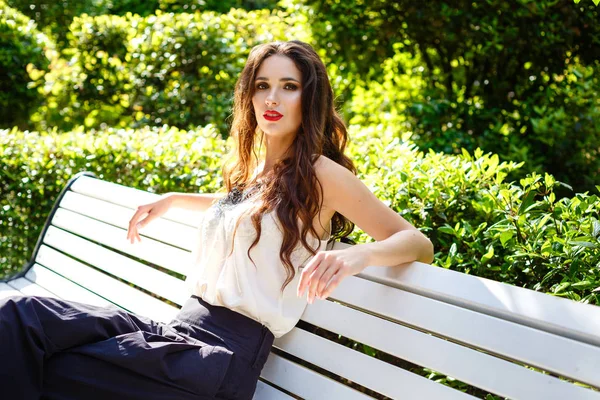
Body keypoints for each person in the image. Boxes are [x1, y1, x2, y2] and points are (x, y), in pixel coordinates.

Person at [0, 40, 434, 399]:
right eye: (262, 85)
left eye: (288, 86)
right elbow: (245, 210)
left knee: (58, 368)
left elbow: (417, 242)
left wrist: (357, 257)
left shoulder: (323, 174)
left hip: (215, 364)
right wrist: (173, 199)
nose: (272, 98)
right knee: (21, 317)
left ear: (310, 96)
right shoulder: (255, 168)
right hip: (176, 331)